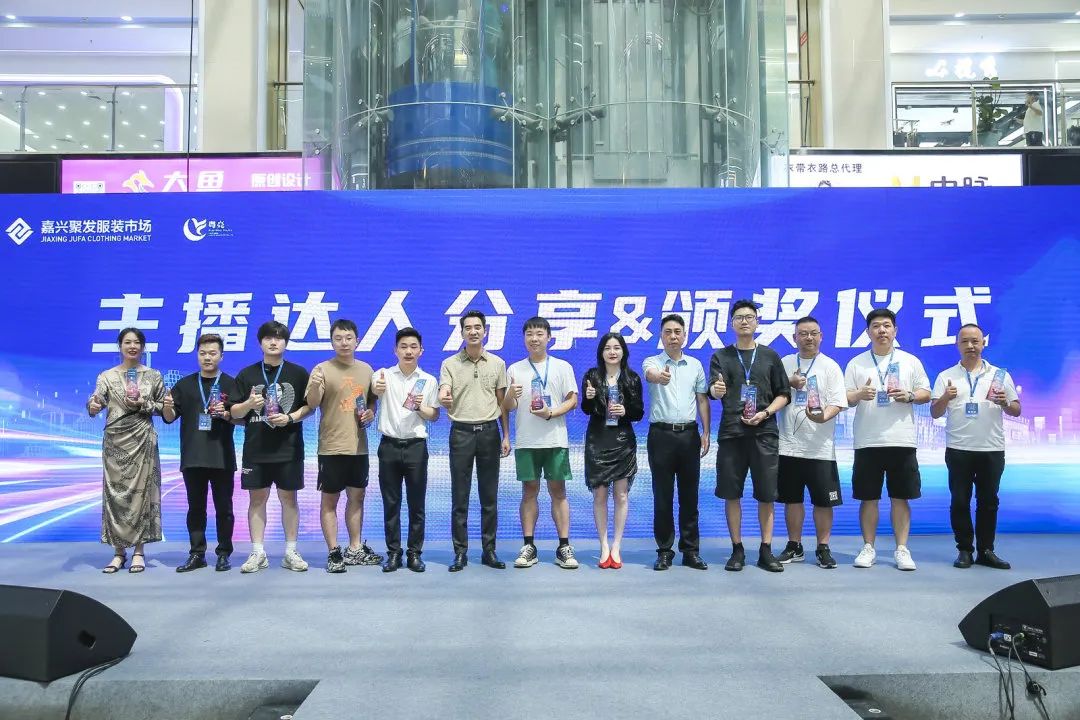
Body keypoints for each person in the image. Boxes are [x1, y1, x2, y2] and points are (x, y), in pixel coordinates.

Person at [844, 309, 931, 571]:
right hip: (867, 441)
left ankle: (902, 549)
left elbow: (926, 392)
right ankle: (868, 547)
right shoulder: (856, 363)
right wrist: (859, 394)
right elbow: (845, 398)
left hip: (901, 440)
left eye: (886, 325)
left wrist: (910, 395)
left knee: (900, 497)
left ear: (895, 331)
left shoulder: (910, 361)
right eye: (876, 326)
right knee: (868, 498)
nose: (881, 330)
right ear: (868, 332)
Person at [708, 300, 790, 573]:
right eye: (739, 317)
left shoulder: (770, 356)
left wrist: (765, 413)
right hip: (732, 434)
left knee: (767, 494)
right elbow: (713, 389)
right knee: (731, 493)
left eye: (749, 317)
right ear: (732, 323)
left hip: (764, 433)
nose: (744, 321)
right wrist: (717, 390)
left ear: (757, 322)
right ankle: (737, 549)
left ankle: (766, 550)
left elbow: (784, 394)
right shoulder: (721, 356)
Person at [930, 324, 1020, 570]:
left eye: (975, 341)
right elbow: (935, 412)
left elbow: (1016, 409)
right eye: (965, 341)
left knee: (989, 501)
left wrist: (1004, 402)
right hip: (958, 449)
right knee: (960, 501)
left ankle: (986, 550)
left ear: (983, 343)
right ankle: (964, 550)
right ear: (957, 344)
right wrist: (946, 397)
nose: (970, 346)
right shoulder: (946, 376)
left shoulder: (1000, 375)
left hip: (991, 448)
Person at [229, 321, 313, 573]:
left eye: (278, 338)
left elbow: (310, 406)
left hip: (289, 448)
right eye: (268, 338)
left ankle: (290, 552)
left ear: (285, 342)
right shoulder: (247, 374)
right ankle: (258, 552)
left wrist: (290, 418)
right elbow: (233, 412)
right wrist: (249, 404)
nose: (273, 342)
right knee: (257, 500)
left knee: (289, 499)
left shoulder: (298, 373)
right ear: (260, 342)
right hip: (256, 450)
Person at [306, 319, 384, 573]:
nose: (344, 342)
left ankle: (354, 549)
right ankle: (333, 552)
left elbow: (371, 402)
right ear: (332, 342)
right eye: (338, 338)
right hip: (331, 447)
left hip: (358, 447)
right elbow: (312, 403)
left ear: (357, 341)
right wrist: (315, 385)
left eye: (348, 338)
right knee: (330, 501)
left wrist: (371, 413)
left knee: (357, 498)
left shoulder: (366, 370)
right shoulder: (322, 369)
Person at [502, 317, 579, 570]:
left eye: (539, 334)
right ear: (524, 338)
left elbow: (572, 400)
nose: (534, 338)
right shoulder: (514, 369)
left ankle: (564, 547)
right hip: (526, 441)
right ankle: (529, 546)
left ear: (549, 337)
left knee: (559, 492)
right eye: (529, 334)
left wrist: (550, 413)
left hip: (555, 439)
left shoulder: (562, 367)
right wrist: (510, 396)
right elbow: (507, 407)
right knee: (529, 492)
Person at [87, 327, 164, 574]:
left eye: (137, 342)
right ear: (120, 346)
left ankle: (139, 552)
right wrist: (93, 405)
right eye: (127, 342)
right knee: (116, 496)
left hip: (142, 439)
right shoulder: (106, 376)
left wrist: (144, 404)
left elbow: (165, 408)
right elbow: (95, 403)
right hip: (115, 442)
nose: (132, 346)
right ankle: (118, 553)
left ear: (143, 347)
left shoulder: (153, 376)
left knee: (142, 496)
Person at [438, 310, 510, 571]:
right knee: (460, 496)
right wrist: (444, 396)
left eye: (477, 327)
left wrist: (506, 435)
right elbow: (444, 390)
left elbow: (503, 404)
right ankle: (460, 552)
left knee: (489, 496)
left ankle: (489, 551)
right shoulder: (450, 364)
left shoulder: (497, 363)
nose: (473, 331)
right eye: (468, 328)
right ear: (461, 333)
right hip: (461, 433)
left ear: (485, 331)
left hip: (490, 432)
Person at [161, 333, 239, 573]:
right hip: (193, 457)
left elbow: (241, 417)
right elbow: (169, 418)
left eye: (213, 353)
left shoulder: (231, 384)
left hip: (222, 457)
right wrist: (166, 406)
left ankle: (224, 553)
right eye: (203, 353)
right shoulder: (184, 385)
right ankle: (197, 554)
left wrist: (226, 414)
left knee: (224, 509)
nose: (207, 358)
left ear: (221, 356)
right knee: (195, 508)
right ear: (197, 355)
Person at [775, 317, 848, 569]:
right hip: (788, 446)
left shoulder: (830, 366)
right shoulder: (784, 363)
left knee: (823, 501)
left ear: (821, 336)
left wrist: (822, 417)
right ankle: (794, 545)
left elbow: (838, 402)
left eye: (813, 333)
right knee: (792, 499)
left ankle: (823, 547)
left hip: (820, 448)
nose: (809, 338)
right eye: (803, 333)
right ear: (794, 337)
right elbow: (772, 394)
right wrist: (788, 382)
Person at [643, 314, 711, 571]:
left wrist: (706, 432)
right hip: (661, 436)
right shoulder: (652, 361)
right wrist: (659, 377)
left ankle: (690, 551)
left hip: (689, 435)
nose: (673, 336)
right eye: (668, 332)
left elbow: (702, 399)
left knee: (689, 496)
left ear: (685, 336)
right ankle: (664, 551)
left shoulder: (695, 365)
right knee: (662, 496)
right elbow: (650, 375)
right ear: (661, 336)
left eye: (677, 332)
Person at [372, 327, 440, 573]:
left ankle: (414, 553)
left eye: (413, 347)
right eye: (403, 347)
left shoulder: (429, 380)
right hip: (389, 446)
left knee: (416, 504)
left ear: (421, 350)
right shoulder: (383, 375)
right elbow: (374, 390)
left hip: (416, 447)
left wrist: (421, 408)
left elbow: (434, 415)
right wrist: (376, 388)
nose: (408, 351)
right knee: (391, 503)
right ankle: (393, 553)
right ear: (395, 350)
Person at [580, 332, 644, 569]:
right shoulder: (592, 376)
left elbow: (639, 412)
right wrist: (589, 398)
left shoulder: (632, 378)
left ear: (623, 352)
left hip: (622, 441)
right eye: (608, 348)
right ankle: (604, 546)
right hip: (598, 440)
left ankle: (616, 546)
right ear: (601, 352)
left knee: (621, 495)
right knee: (599, 495)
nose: (612, 352)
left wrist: (625, 411)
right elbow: (586, 409)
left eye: (617, 347)